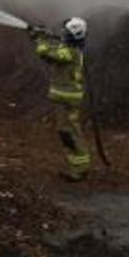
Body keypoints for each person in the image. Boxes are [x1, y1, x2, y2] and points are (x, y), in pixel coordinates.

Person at [30, 17, 91, 181]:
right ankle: (77, 167)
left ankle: (80, 169)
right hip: (65, 100)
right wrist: (46, 35)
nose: (63, 33)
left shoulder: (69, 52)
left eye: (66, 31)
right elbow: (58, 46)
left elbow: (46, 53)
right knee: (67, 132)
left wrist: (39, 39)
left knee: (69, 133)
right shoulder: (71, 49)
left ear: (73, 34)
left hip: (67, 101)